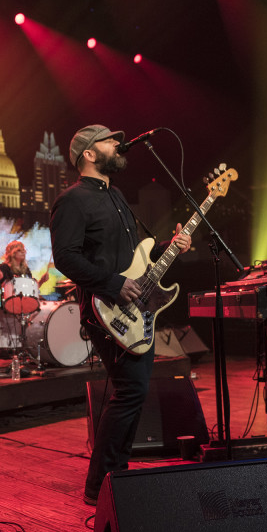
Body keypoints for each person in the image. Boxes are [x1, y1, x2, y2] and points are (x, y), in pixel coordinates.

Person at [49, 124, 191, 506]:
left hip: (133, 306)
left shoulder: (117, 196)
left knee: (134, 392)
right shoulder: (72, 200)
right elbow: (65, 257)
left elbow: (134, 259)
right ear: (90, 155)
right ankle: (102, 486)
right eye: (109, 141)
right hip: (104, 309)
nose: (118, 144)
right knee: (130, 391)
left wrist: (168, 247)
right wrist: (111, 284)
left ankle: (114, 480)